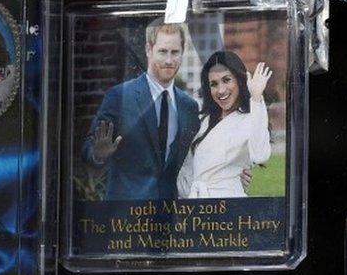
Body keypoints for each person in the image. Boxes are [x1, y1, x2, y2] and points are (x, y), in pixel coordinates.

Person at [82, 21, 201, 200]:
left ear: (182, 52)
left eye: (175, 52)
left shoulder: (189, 107)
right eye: (162, 51)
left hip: (170, 215)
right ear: (148, 50)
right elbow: (88, 148)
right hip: (125, 215)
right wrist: (98, 154)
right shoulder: (119, 96)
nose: (169, 60)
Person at [177, 51, 272, 198]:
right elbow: (189, 172)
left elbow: (260, 155)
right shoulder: (205, 121)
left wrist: (256, 97)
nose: (221, 90)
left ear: (240, 80)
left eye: (227, 80)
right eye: (214, 84)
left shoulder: (250, 118)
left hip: (229, 208)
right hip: (198, 209)